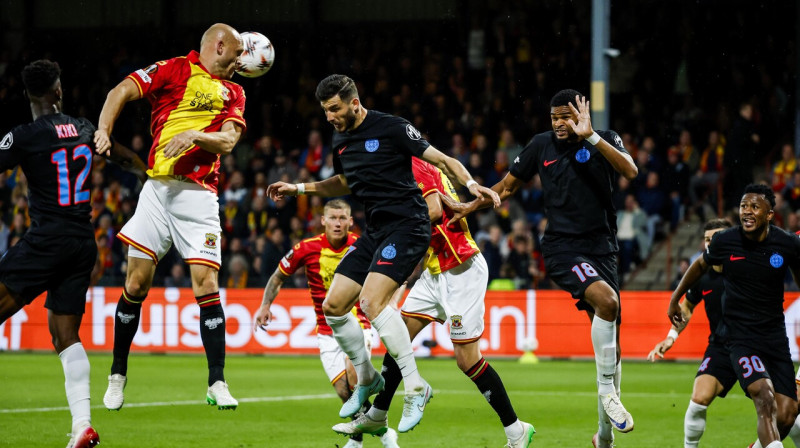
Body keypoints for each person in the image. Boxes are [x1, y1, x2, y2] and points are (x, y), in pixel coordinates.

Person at [266, 74, 500, 433]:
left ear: (354, 103)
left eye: (334, 108)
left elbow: (443, 159)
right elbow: (343, 182)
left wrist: (471, 185)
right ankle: (368, 379)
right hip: (376, 230)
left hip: (408, 226)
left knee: (371, 303)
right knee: (334, 306)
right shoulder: (340, 138)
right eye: (325, 111)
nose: (329, 116)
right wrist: (299, 188)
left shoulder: (392, 128)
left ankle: (416, 386)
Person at [451, 89, 638, 448]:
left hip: (603, 248)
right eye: (553, 118)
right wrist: (469, 206)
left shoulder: (606, 139)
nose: (558, 125)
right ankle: (607, 394)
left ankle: (603, 435)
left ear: (580, 114)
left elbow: (630, 170)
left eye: (565, 117)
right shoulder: (540, 146)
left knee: (611, 346)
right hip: (562, 248)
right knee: (609, 303)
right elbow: (506, 187)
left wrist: (592, 137)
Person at [94, 23, 247, 411]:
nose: (241, 61)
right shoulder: (174, 69)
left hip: (199, 196)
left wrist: (195, 135)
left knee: (205, 283)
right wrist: (103, 130)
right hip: (157, 191)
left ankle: (217, 381)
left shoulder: (235, 92)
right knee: (136, 282)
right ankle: (117, 375)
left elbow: (228, 141)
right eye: (237, 53)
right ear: (219, 45)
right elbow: (121, 91)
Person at [332, 157, 535, 446]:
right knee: (398, 334)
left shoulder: (414, 165)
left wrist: (393, 221)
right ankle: (378, 412)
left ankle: (516, 430)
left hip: (461, 268)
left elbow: (434, 211)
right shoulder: (398, 172)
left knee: (467, 361)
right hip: (434, 270)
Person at [0, 60, 145, 448]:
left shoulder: (25, 135)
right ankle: (82, 426)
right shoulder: (84, 128)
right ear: (58, 91)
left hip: (46, 240)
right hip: (83, 243)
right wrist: (149, 178)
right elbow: (125, 158)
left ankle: (82, 425)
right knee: (65, 335)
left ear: (28, 95)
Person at [254, 199, 399, 448]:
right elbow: (278, 276)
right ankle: (358, 439)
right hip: (326, 331)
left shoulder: (362, 246)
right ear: (323, 220)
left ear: (351, 221)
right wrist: (265, 305)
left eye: (343, 218)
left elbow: (393, 272)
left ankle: (385, 434)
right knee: (344, 392)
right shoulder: (306, 248)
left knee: (355, 375)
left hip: (357, 323)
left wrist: (391, 301)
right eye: (332, 218)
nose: (338, 223)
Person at [668, 184, 800, 448]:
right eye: (743, 206)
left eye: (754, 207)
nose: (747, 212)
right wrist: (676, 298)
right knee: (764, 396)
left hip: (774, 339)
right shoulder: (725, 240)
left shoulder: (786, 244)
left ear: (770, 214)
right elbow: (699, 265)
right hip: (741, 339)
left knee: (787, 414)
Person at [647, 219, 733, 448]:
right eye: (707, 239)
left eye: (718, 237)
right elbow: (687, 306)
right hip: (720, 348)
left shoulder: (745, 269)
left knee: (781, 412)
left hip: (753, 346)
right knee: (697, 401)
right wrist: (671, 337)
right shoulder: (701, 275)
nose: (712, 243)